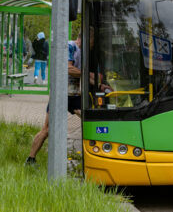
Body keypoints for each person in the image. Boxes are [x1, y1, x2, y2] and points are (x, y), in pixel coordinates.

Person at [25, 30, 111, 165]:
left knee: (89, 118)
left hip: (74, 95)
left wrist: (100, 85)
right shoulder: (70, 46)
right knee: (47, 129)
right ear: (85, 38)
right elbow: (68, 68)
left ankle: (98, 155)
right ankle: (30, 159)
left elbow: (89, 77)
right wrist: (88, 75)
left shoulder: (85, 53)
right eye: (92, 42)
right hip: (60, 95)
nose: (93, 46)